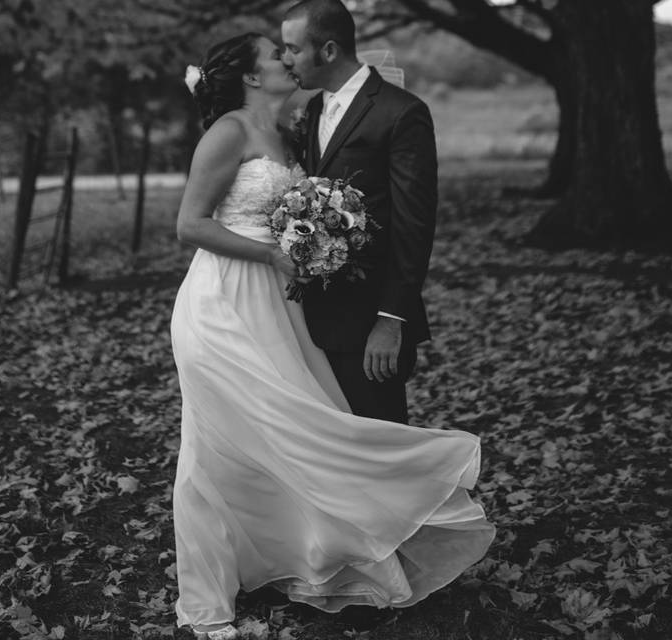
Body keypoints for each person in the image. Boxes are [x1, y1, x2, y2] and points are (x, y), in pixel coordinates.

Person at [170, 28, 494, 640]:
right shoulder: (229, 131)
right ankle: (206, 597)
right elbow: (190, 225)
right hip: (222, 306)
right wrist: (272, 256)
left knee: (299, 423)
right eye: (276, 54)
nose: (287, 60)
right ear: (248, 74)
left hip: (281, 306)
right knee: (220, 446)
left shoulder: (291, 132)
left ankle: (309, 556)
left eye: (289, 49)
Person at [281, 0, 436, 425]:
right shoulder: (312, 110)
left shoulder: (401, 113)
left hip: (372, 321)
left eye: (292, 48)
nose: (285, 59)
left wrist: (390, 320)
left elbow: (414, 225)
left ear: (328, 51)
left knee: (382, 439)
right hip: (318, 317)